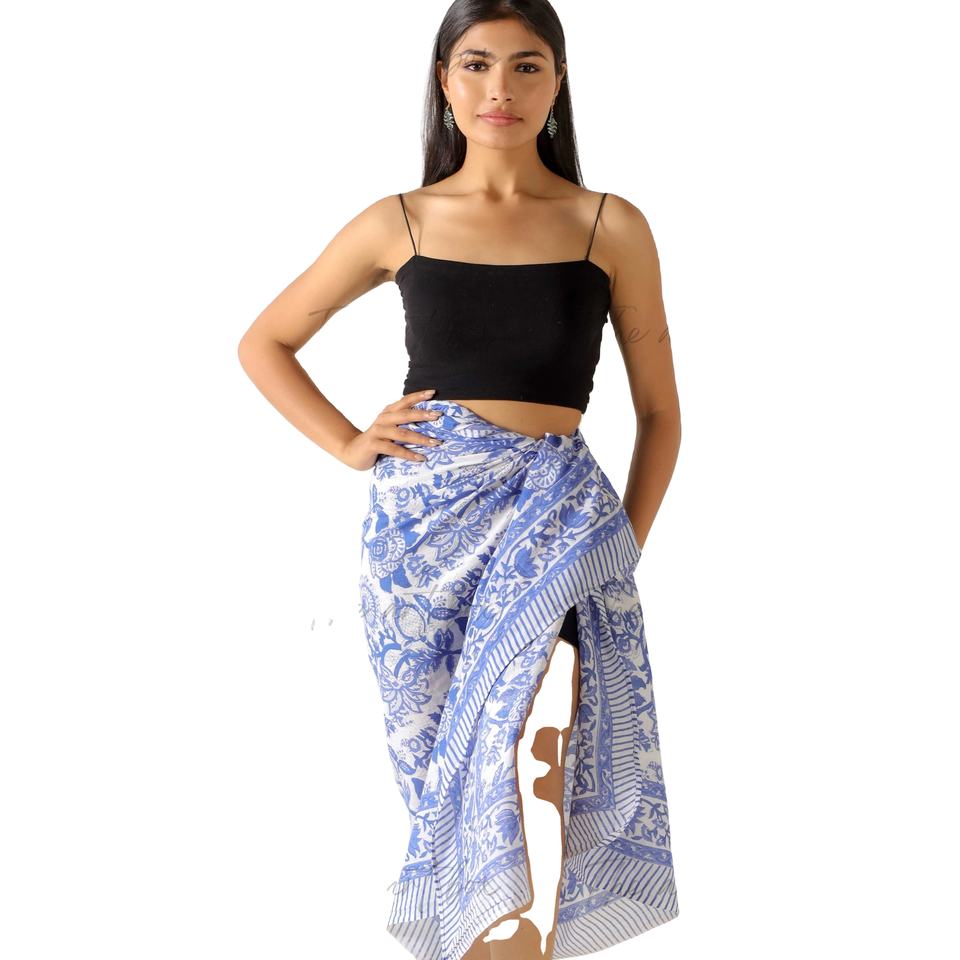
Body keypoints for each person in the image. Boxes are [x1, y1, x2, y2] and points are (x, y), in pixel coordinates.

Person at [237, 5, 681, 960]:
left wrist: (615, 551)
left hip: (557, 525)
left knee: (531, 757)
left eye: (526, 66)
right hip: (419, 534)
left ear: (558, 81)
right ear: (444, 79)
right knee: (441, 764)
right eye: (476, 65)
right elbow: (264, 342)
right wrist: (349, 442)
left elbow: (660, 415)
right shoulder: (400, 220)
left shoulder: (609, 225)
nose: (499, 89)